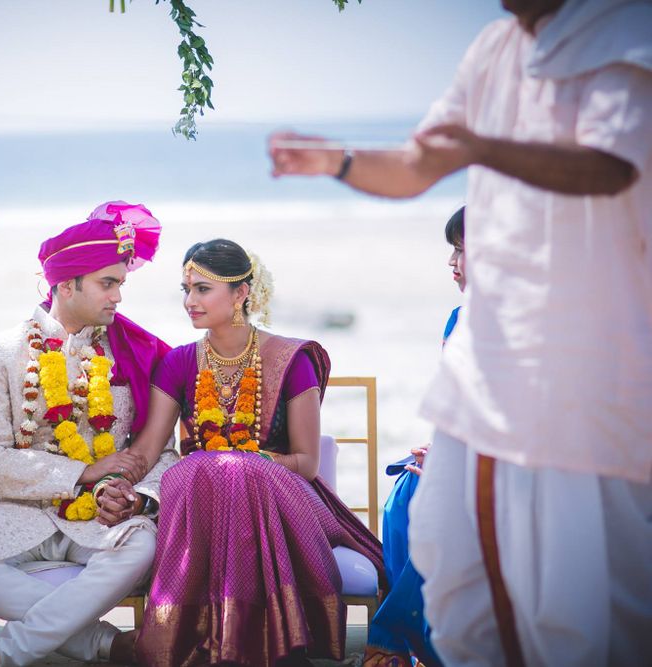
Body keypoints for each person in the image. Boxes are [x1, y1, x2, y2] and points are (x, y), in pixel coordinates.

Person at [268, 1, 652, 663]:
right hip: (487, 366)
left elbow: (609, 166)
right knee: (456, 577)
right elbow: (420, 164)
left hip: (586, 364)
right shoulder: (493, 47)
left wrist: (481, 149)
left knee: (575, 597)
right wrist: (340, 161)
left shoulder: (625, 31)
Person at [0, 201, 178, 667]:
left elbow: (164, 453)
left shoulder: (136, 354)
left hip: (101, 522)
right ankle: (102, 643)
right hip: (22, 514)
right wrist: (83, 471)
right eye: (108, 283)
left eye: (120, 284)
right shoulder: (0, 354)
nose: (118, 297)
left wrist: (139, 498)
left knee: (141, 541)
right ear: (66, 284)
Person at [130, 239, 385, 666]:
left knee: (231, 470)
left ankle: (238, 645)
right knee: (214, 470)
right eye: (185, 289)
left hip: (284, 496)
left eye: (202, 289)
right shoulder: (177, 364)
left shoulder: (290, 359)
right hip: (202, 500)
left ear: (241, 293)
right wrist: (102, 475)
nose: (189, 301)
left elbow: (306, 463)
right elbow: (148, 451)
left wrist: (246, 465)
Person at [363, 206, 465, 667]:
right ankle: (412, 645)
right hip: (461, 452)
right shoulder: (457, 319)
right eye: (453, 252)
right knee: (402, 495)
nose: (452, 263)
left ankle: (395, 639)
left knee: (428, 503)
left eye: (462, 251)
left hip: (509, 463)